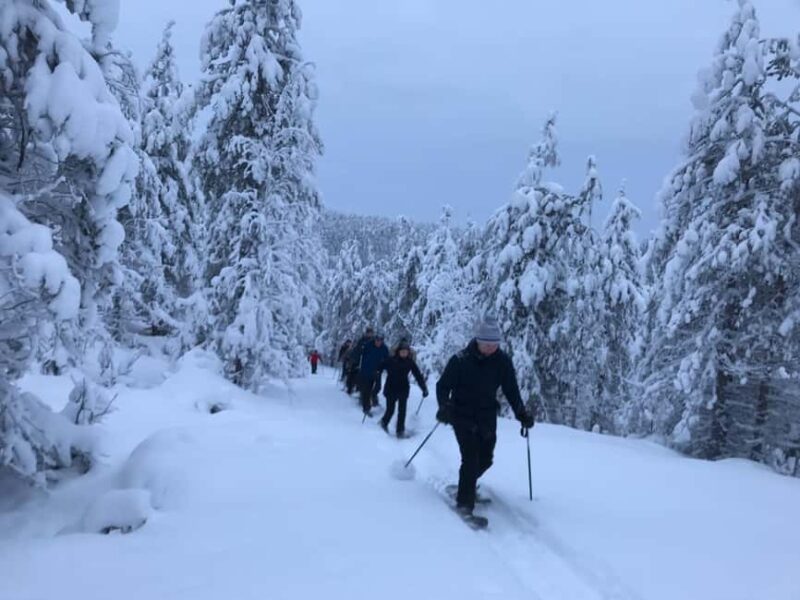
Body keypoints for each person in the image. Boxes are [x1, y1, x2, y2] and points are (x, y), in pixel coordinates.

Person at [435, 315, 536, 515]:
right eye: (487, 344)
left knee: (486, 459)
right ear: (478, 341)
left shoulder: (502, 361)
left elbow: (511, 389)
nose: (491, 348)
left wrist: (521, 413)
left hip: (487, 415)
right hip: (461, 413)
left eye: (494, 344)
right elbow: (443, 385)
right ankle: (465, 504)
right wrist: (444, 406)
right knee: (470, 457)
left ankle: (468, 484)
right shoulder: (460, 359)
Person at [377, 340, 428, 437]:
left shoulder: (410, 362)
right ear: (398, 351)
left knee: (402, 411)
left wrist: (424, 388)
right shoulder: (391, 360)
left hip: (403, 389)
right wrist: (377, 372)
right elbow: (380, 366)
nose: (404, 353)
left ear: (408, 352)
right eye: (402, 351)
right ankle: (383, 423)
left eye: (406, 351)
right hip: (391, 388)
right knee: (390, 410)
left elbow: (418, 375)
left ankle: (400, 431)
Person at [353, 333, 389, 416]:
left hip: (377, 371)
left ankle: (373, 397)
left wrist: (387, 368)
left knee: (378, 387)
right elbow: (358, 352)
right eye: (377, 340)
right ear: (375, 339)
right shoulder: (368, 345)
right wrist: (355, 360)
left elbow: (387, 360)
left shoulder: (384, 348)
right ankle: (366, 407)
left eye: (380, 341)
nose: (378, 342)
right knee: (367, 390)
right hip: (366, 371)